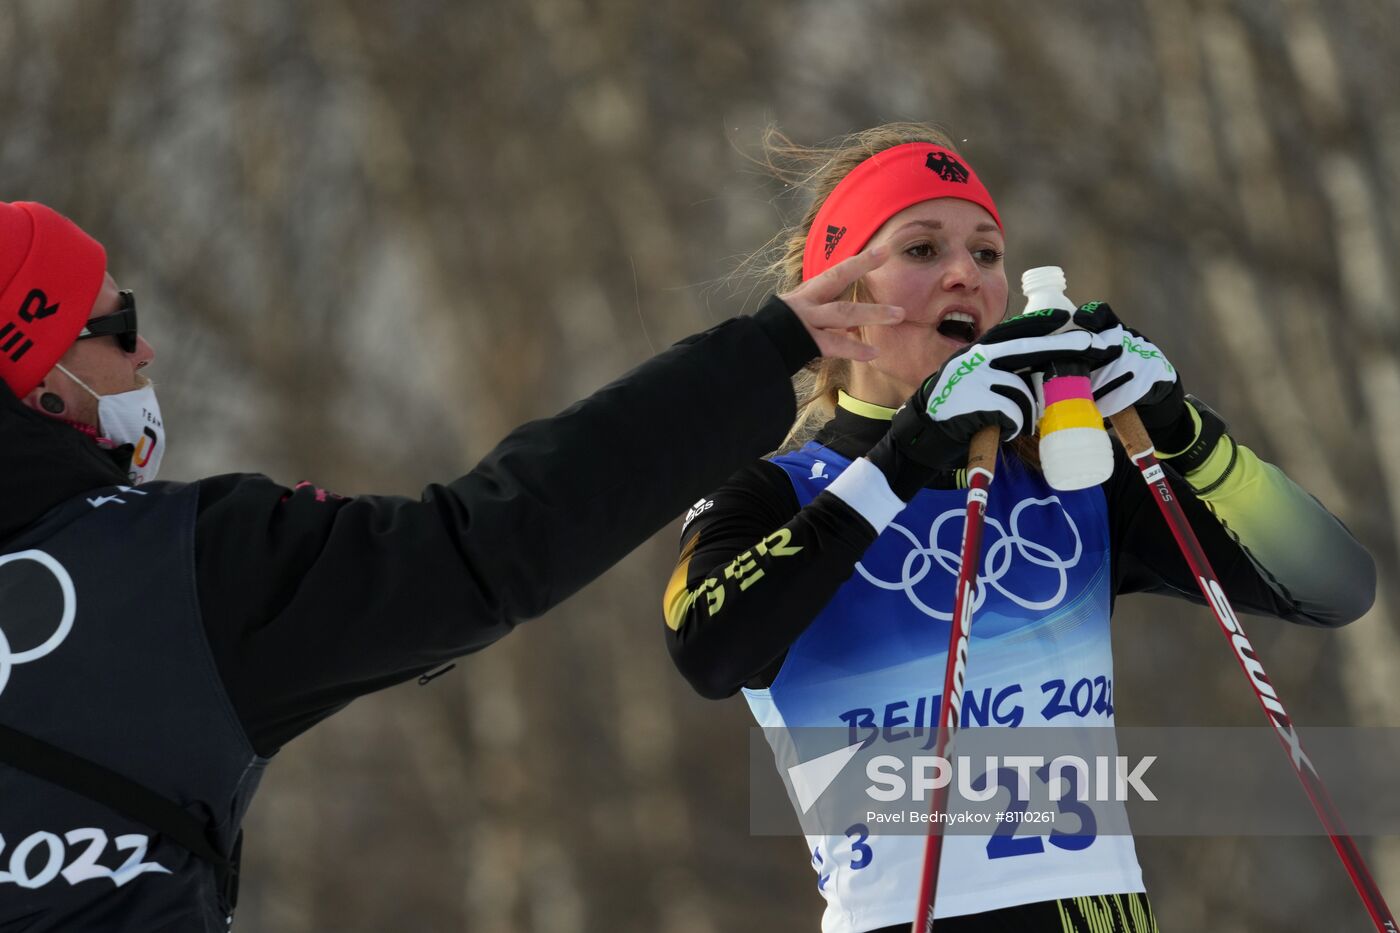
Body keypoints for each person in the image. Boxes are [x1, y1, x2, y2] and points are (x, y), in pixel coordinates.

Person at [0, 199, 910, 932]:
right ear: (39, 375)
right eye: (118, 327)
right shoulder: (177, 567)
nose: (147, 350)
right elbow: (484, 545)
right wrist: (764, 352)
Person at [662, 123, 1376, 932]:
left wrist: (1189, 435)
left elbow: (1336, 587)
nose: (966, 272)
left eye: (988, 253)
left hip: (1098, 915)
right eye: (923, 249)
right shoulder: (775, 492)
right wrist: (906, 457)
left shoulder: (1067, 473)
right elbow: (708, 647)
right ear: (840, 292)